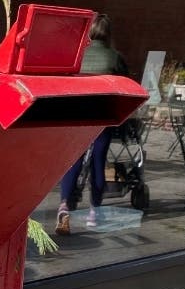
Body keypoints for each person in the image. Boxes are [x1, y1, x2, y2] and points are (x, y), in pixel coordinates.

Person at [53, 13, 130, 234]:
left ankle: (64, 205)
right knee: (98, 161)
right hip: (101, 117)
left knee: (73, 160)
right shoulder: (114, 58)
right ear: (108, 34)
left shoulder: (77, 56)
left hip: (77, 116)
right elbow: (126, 86)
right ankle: (94, 211)